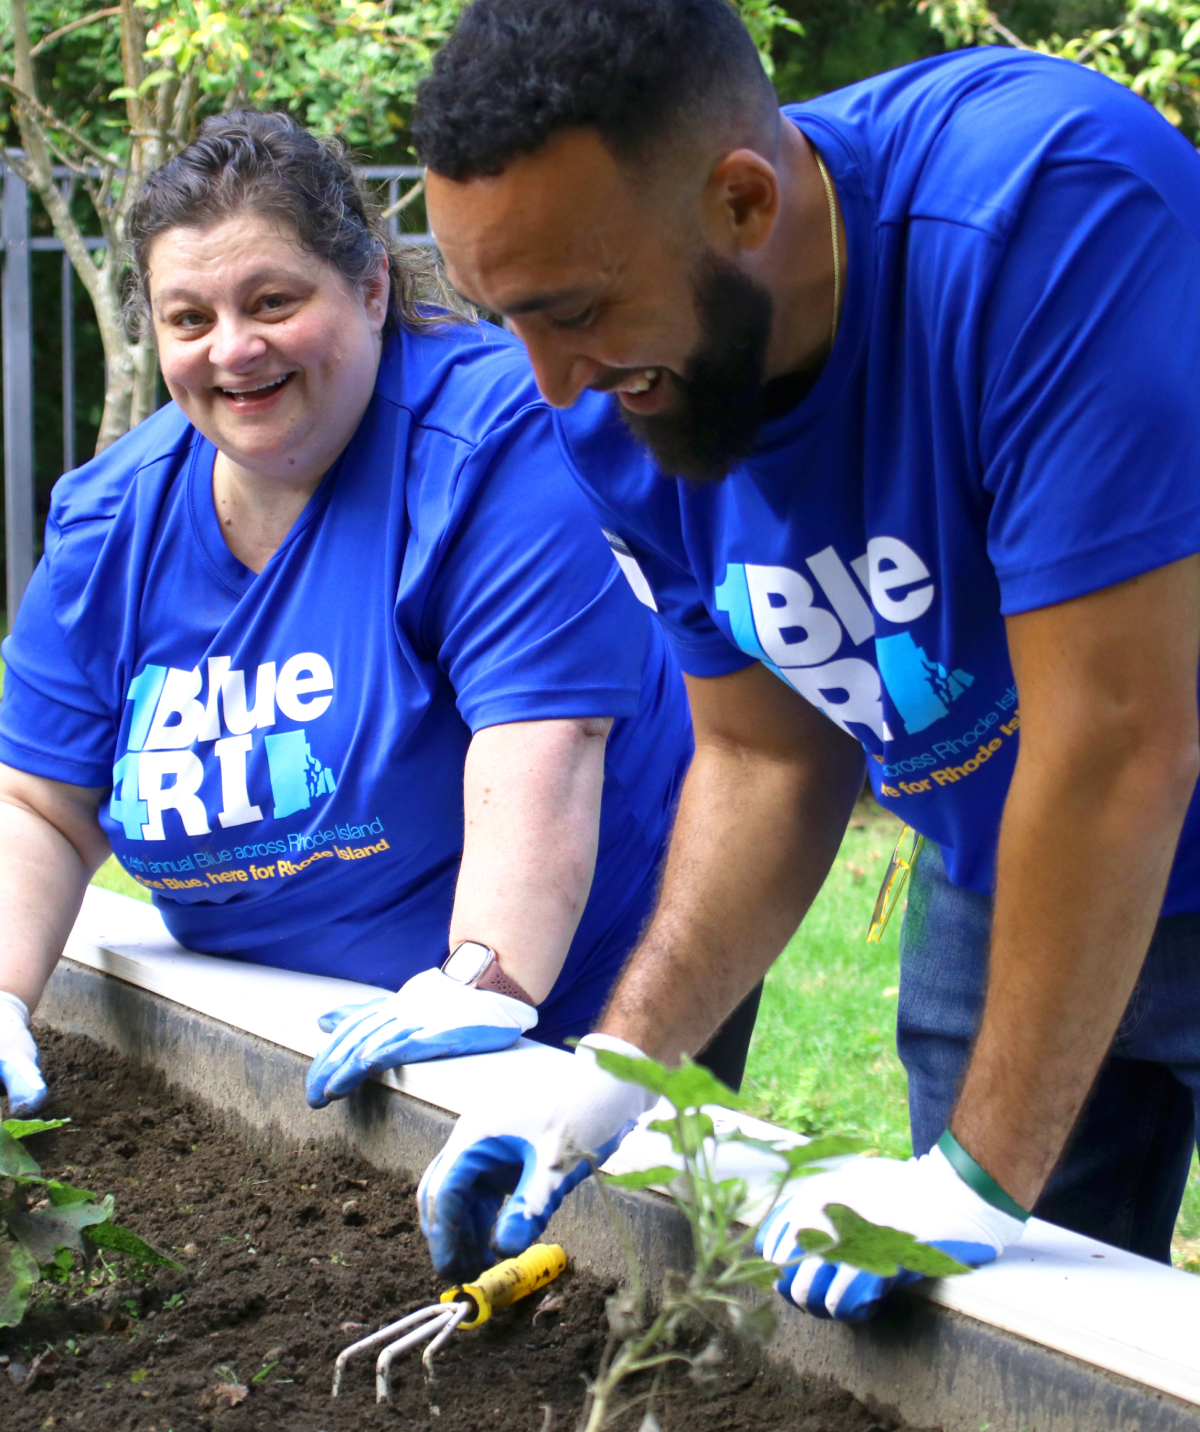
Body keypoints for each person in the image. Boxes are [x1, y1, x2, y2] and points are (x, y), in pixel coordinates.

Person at [411, 0, 1200, 1315]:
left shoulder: (1045, 215)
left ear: (741, 202)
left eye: (576, 310)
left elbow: (1120, 743)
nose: (549, 383)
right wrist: (614, 1073)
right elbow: (764, 757)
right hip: (1004, 856)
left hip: (1111, 783)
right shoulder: (620, 397)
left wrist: (974, 1178)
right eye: (509, 319)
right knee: (1018, 1333)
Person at [0, 111, 753, 1136]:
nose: (235, 348)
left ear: (368, 287)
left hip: (580, 995)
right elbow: (41, 806)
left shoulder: (496, 442)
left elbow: (547, 735)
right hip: (284, 1038)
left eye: (273, 301)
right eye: (190, 318)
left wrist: (485, 976)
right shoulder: (107, 526)